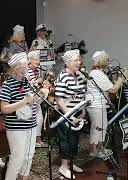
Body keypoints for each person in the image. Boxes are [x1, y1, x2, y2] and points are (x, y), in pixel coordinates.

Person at [0, 52, 37, 180]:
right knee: (17, 158)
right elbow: (4, 109)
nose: (24, 71)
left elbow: (30, 102)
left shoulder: (26, 82)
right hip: (16, 128)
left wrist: (37, 97)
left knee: (28, 156)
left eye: (25, 68)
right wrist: (24, 101)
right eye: (21, 69)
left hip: (31, 125)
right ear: (14, 69)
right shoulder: (7, 84)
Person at [54, 49, 86, 179]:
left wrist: (82, 111)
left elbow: (80, 95)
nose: (78, 62)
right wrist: (70, 115)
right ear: (67, 62)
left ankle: (71, 163)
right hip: (65, 114)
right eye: (75, 60)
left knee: (75, 140)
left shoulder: (78, 75)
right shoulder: (63, 76)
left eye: (79, 60)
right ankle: (64, 167)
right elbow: (59, 99)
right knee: (66, 141)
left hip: (77, 112)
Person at [85, 50, 124, 156]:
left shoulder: (100, 72)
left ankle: (101, 148)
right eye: (107, 60)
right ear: (102, 61)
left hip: (100, 104)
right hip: (95, 104)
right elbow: (113, 89)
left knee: (103, 126)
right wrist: (120, 79)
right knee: (97, 127)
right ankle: (93, 151)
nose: (109, 62)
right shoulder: (96, 73)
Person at [27, 50, 49, 147]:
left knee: (39, 119)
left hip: (37, 98)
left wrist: (41, 81)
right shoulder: (27, 70)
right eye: (36, 60)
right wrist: (36, 81)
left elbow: (38, 82)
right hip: (29, 99)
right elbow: (29, 84)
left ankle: (38, 140)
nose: (38, 62)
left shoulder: (37, 70)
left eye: (38, 59)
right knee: (33, 119)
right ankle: (32, 142)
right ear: (30, 60)